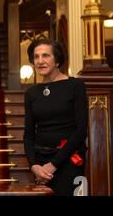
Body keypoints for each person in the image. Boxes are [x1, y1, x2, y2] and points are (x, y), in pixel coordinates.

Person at [23, 38, 88, 196]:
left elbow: (81, 131)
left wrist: (53, 164)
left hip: (69, 161)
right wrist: (34, 166)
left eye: (46, 56)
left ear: (57, 60)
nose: (40, 61)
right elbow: (29, 134)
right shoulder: (31, 93)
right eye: (36, 57)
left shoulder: (75, 86)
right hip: (41, 164)